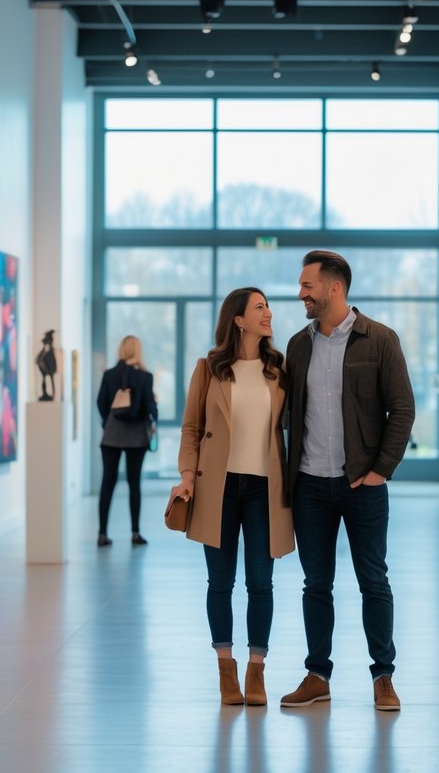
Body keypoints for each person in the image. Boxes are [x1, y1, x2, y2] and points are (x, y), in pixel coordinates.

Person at [279, 250, 415, 712]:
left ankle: (383, 676)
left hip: (363, 485)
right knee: (316, 584)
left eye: (307, 286)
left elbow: (403, 408)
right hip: (310, 485)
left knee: (373, 581)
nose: (300, 294)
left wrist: (380, 471)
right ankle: (318, 675)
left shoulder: (379, 340)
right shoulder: (299, 345)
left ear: (334, 288)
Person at [170, 287, 294, 707]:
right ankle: (226, 670)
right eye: (260, 307)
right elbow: (191, 428)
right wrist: (187, 476)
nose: (269, 313)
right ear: (238, 319)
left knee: (261, 583)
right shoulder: (209, 368)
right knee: (220, 583)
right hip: (217, 489)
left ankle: (256, 669)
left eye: (268, 307)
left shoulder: (279, 370)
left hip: (264, 488)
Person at [96, 335, 158, 547]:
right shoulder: (145, 376)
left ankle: (102, 534)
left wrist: (108, 422)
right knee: (134, 484)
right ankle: (135, 533)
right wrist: (153, 418)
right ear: (137, 351)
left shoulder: (110, 375)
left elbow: (101, 402)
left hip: (112, 434)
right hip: (136, 436)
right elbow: (150, 406)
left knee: (108, 482)